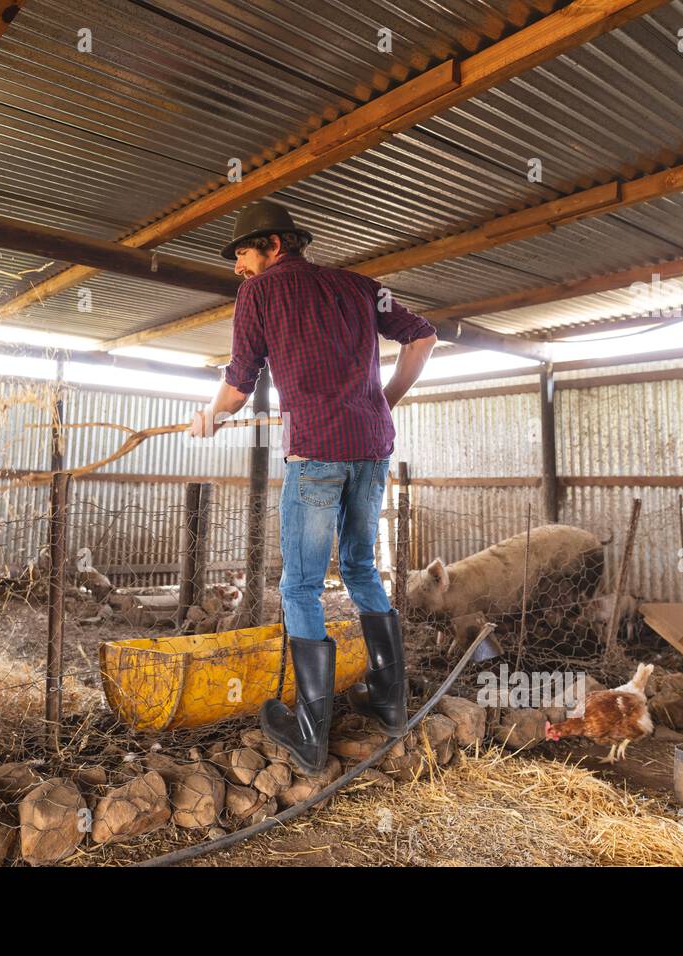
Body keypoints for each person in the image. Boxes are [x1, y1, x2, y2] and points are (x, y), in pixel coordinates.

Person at [188, 199, 438, 773]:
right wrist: (384, 401)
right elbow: (422, 338)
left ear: (275, 245)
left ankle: (309, 729)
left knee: (300, 585)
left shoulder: (261, 293)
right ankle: (391, 704)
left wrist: (211, 417)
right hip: (371, 451)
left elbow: (239, 381)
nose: (237, 268)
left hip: (317, 454)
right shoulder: (359, 286)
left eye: (243, 253)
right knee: (359, 570)